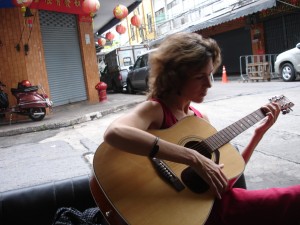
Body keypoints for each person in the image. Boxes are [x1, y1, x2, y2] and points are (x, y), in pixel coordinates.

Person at [103, 32, 300, 225]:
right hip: (183, 211)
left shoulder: (200, 119)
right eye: (199, 77)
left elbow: (226, 179)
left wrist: (258, 135)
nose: (208, 84)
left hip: (210, 206)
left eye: (209, 75)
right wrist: (193, 158)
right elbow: (114, 133)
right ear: (175, 77)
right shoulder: (156, 110)